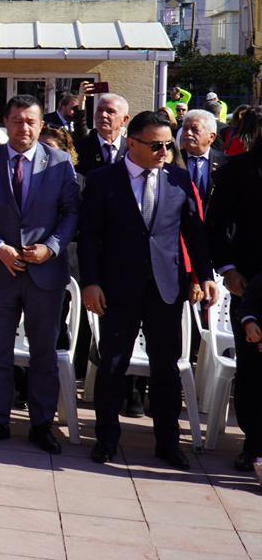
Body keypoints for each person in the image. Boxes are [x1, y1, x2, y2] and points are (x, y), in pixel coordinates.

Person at [79, 110, 217, 469]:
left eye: (168, 145)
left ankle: (167, 443)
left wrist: (205, 275)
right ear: (132, 142)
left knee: (166, 369)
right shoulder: (102, 180)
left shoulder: (178, 179)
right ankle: (106, 439)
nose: (163, 152)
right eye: (156, 145)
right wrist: (91, 282)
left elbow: (194, 232)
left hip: (165, 288)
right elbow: (89, 239)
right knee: (113, 365)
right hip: (117, 287)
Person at [0, 95, 80, 454]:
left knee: (43, 352)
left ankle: (41, 423)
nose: (24, 128)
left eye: (31, 121)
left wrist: (52, 247)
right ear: (6, 122)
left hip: (45, 273)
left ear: (41, 123)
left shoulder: (60, 164)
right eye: (17, 121)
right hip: (0, 271)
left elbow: (72, 213)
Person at [205, 135, 262, 471]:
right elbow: (216, 225)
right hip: (250, 287)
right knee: (254, 371)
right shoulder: (238, 170)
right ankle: (254, 443)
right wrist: (228, 270)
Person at [71, 82, 129, 175]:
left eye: (110, 111)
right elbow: (80, 126)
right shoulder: (84, 147)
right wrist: (81, 100)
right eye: (100, 110)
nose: (103, 115)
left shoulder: (131, 149)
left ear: (124, 120)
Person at [176, 109, 225, 202]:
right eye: (185, 129)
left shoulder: (226, 163)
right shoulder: (173, 161)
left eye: (195, 129)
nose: (188, 133)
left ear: (211, 137)